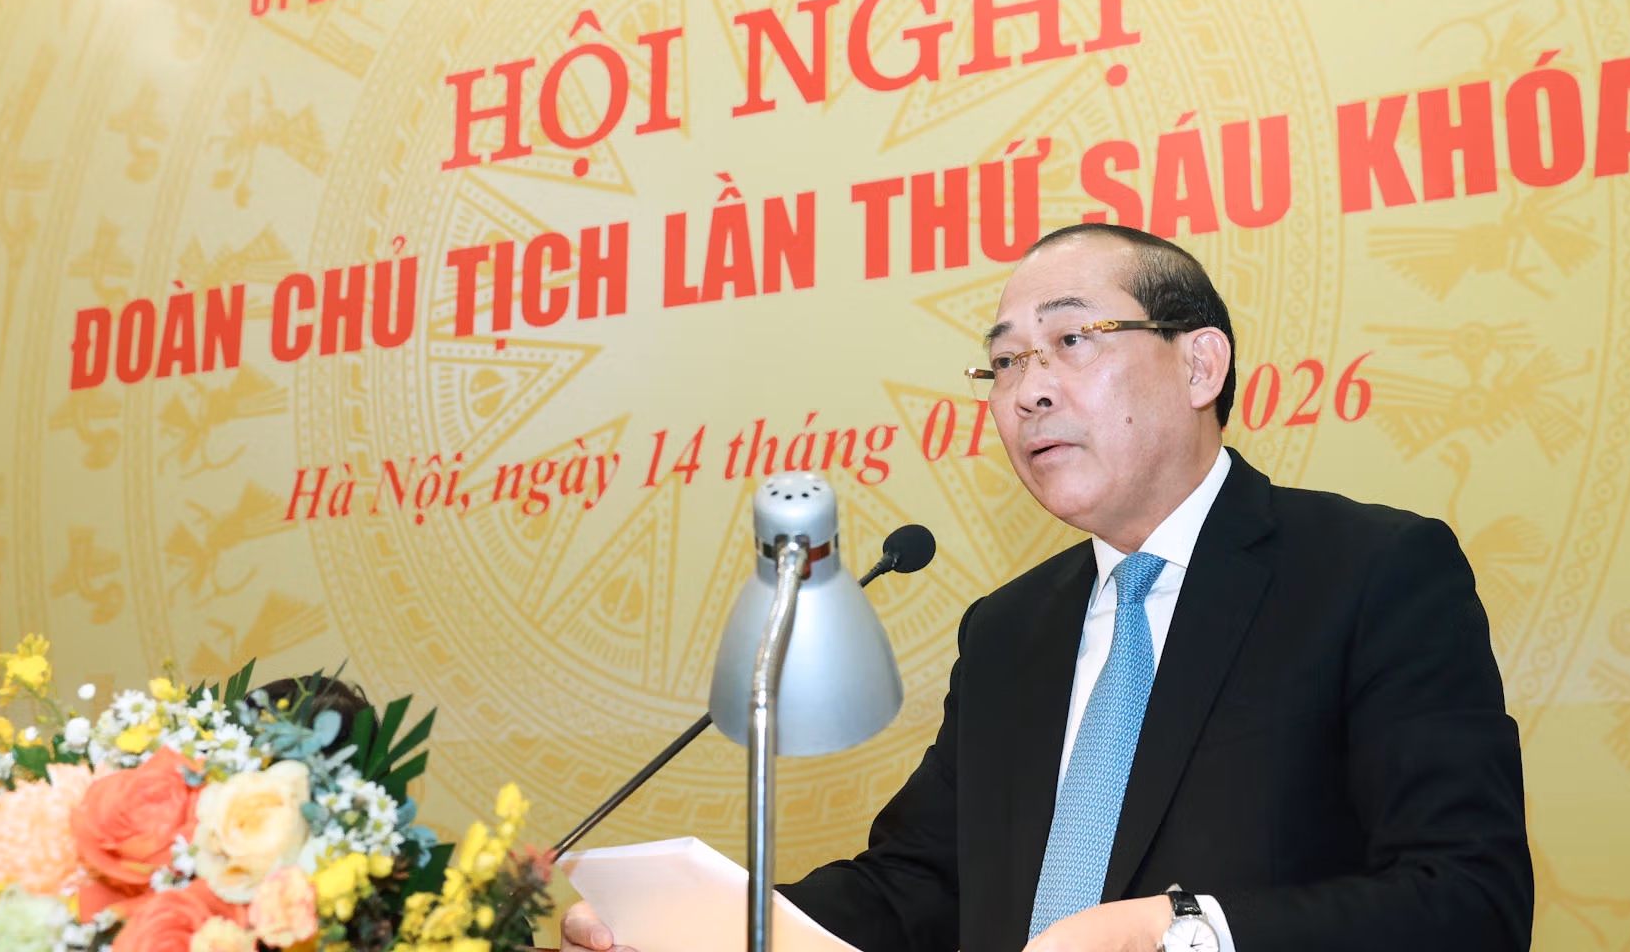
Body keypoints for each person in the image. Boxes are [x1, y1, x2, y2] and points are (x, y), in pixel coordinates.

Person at [565, 224, 1533, 951]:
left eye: (1070, 341)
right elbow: (916, 886)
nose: (1026, 390)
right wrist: (707, 932)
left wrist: (1178, 932)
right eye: (1003, 362)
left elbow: (1468, 899)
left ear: (1200, 363)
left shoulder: (1368, 573)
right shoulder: (1008, 632)